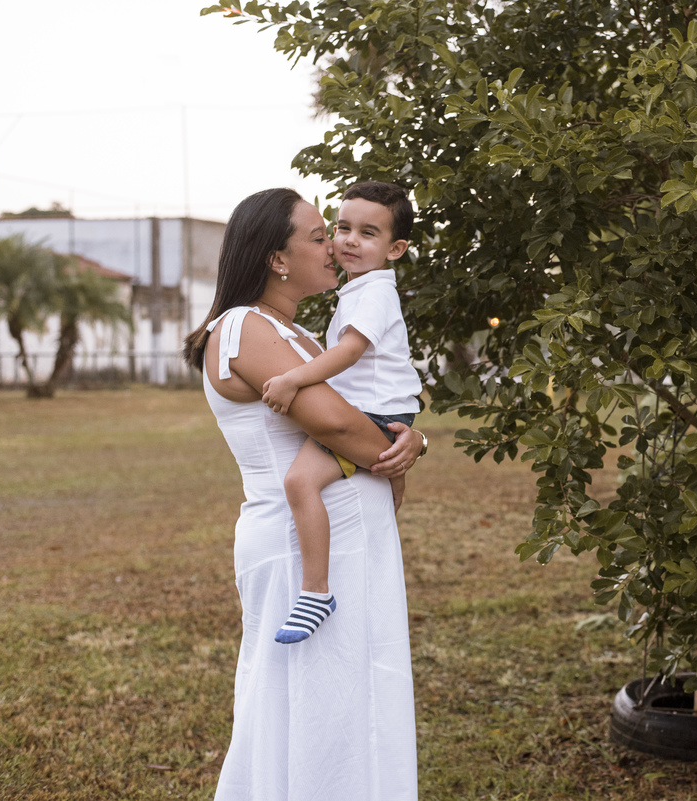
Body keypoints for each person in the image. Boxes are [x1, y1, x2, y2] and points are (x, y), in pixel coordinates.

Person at [182, 188, 422, 801]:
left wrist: (411, 442)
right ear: (277, 260)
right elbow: (340, 425)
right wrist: (400, 448)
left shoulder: (304, 339)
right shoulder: (244, 327)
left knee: (355, 698)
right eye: (320, 235)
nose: (335, 246)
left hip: (348, 539)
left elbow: (364, 415)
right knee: (317, 704)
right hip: (299, 548)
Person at [260, 182, 423, 645]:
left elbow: (350, 351)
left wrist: (295, 378)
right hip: (384, 413)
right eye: (342, 227)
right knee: (383, 497)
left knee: (299, 482)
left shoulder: (373, 295)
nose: (349, 240)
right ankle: (369, 564)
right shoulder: (359, 290)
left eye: (367, 233)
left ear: (395, 249)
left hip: (373, 414)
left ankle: (316, 592)